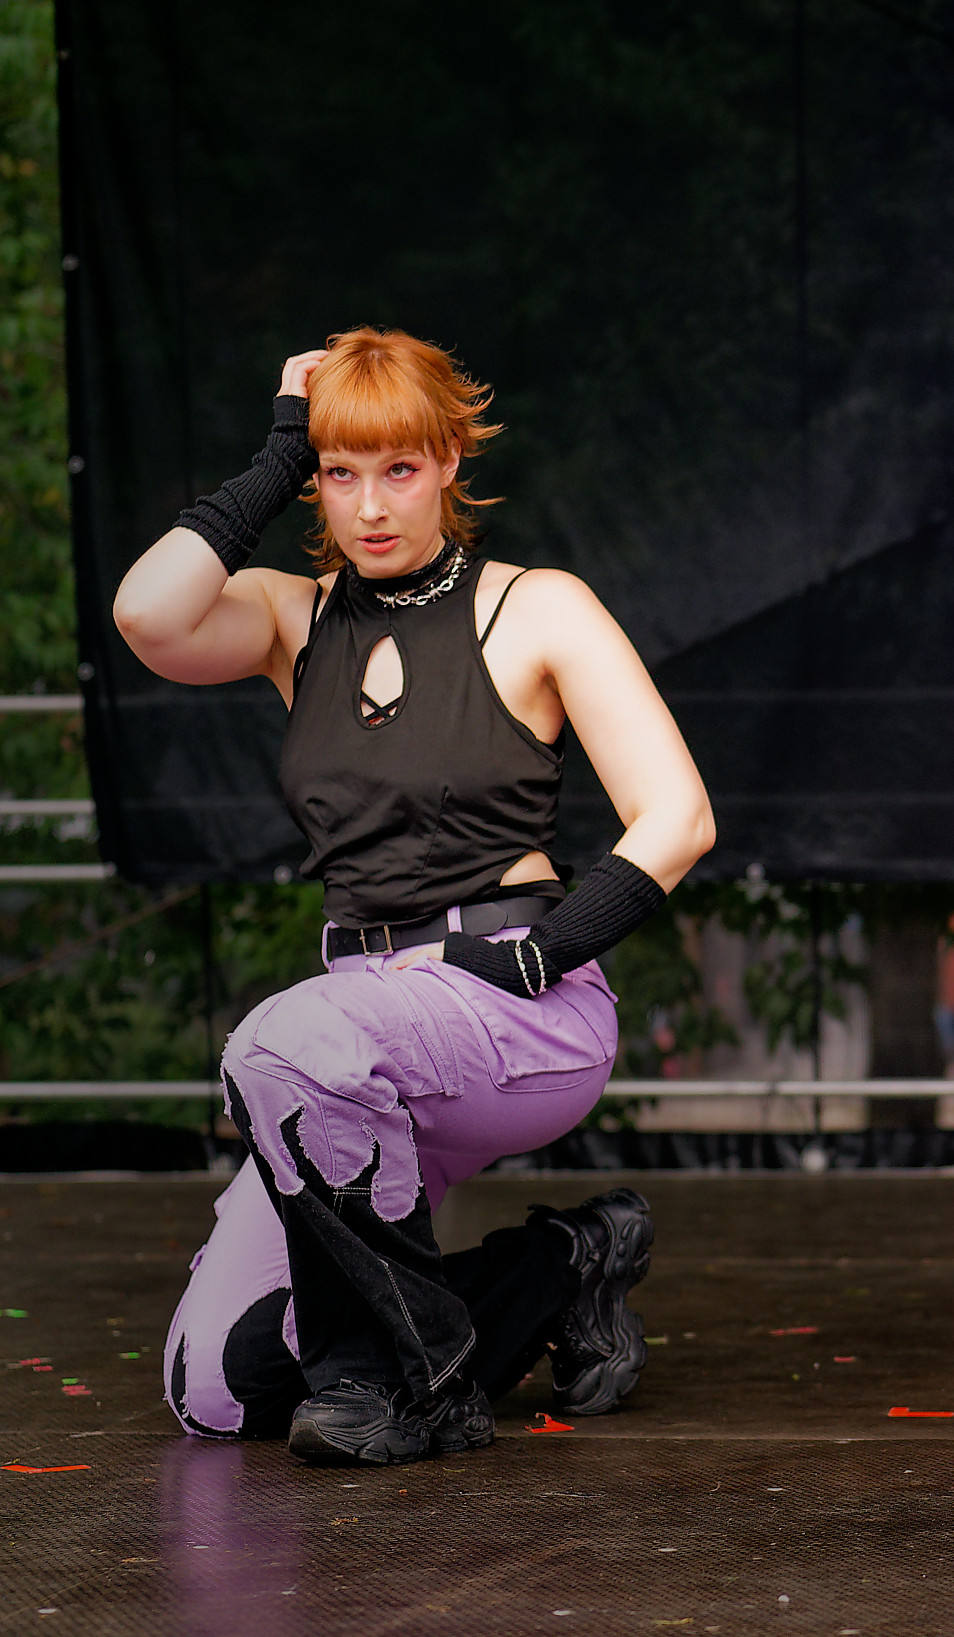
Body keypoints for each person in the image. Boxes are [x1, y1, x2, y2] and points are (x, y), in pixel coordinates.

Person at [114, 330, 716, 1466]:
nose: (371, 504)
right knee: (219, 1390)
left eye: (398, 467)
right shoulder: (293, 618)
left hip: (516, 1002)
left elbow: (677, 817)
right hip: (348, 1050)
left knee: (273, 1041)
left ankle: (418, 1386)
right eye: (341, 471)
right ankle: (558, 1267)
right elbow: (148, 615)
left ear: (448, 459)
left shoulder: (535, 607)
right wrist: (280, 451)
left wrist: (537, 955)